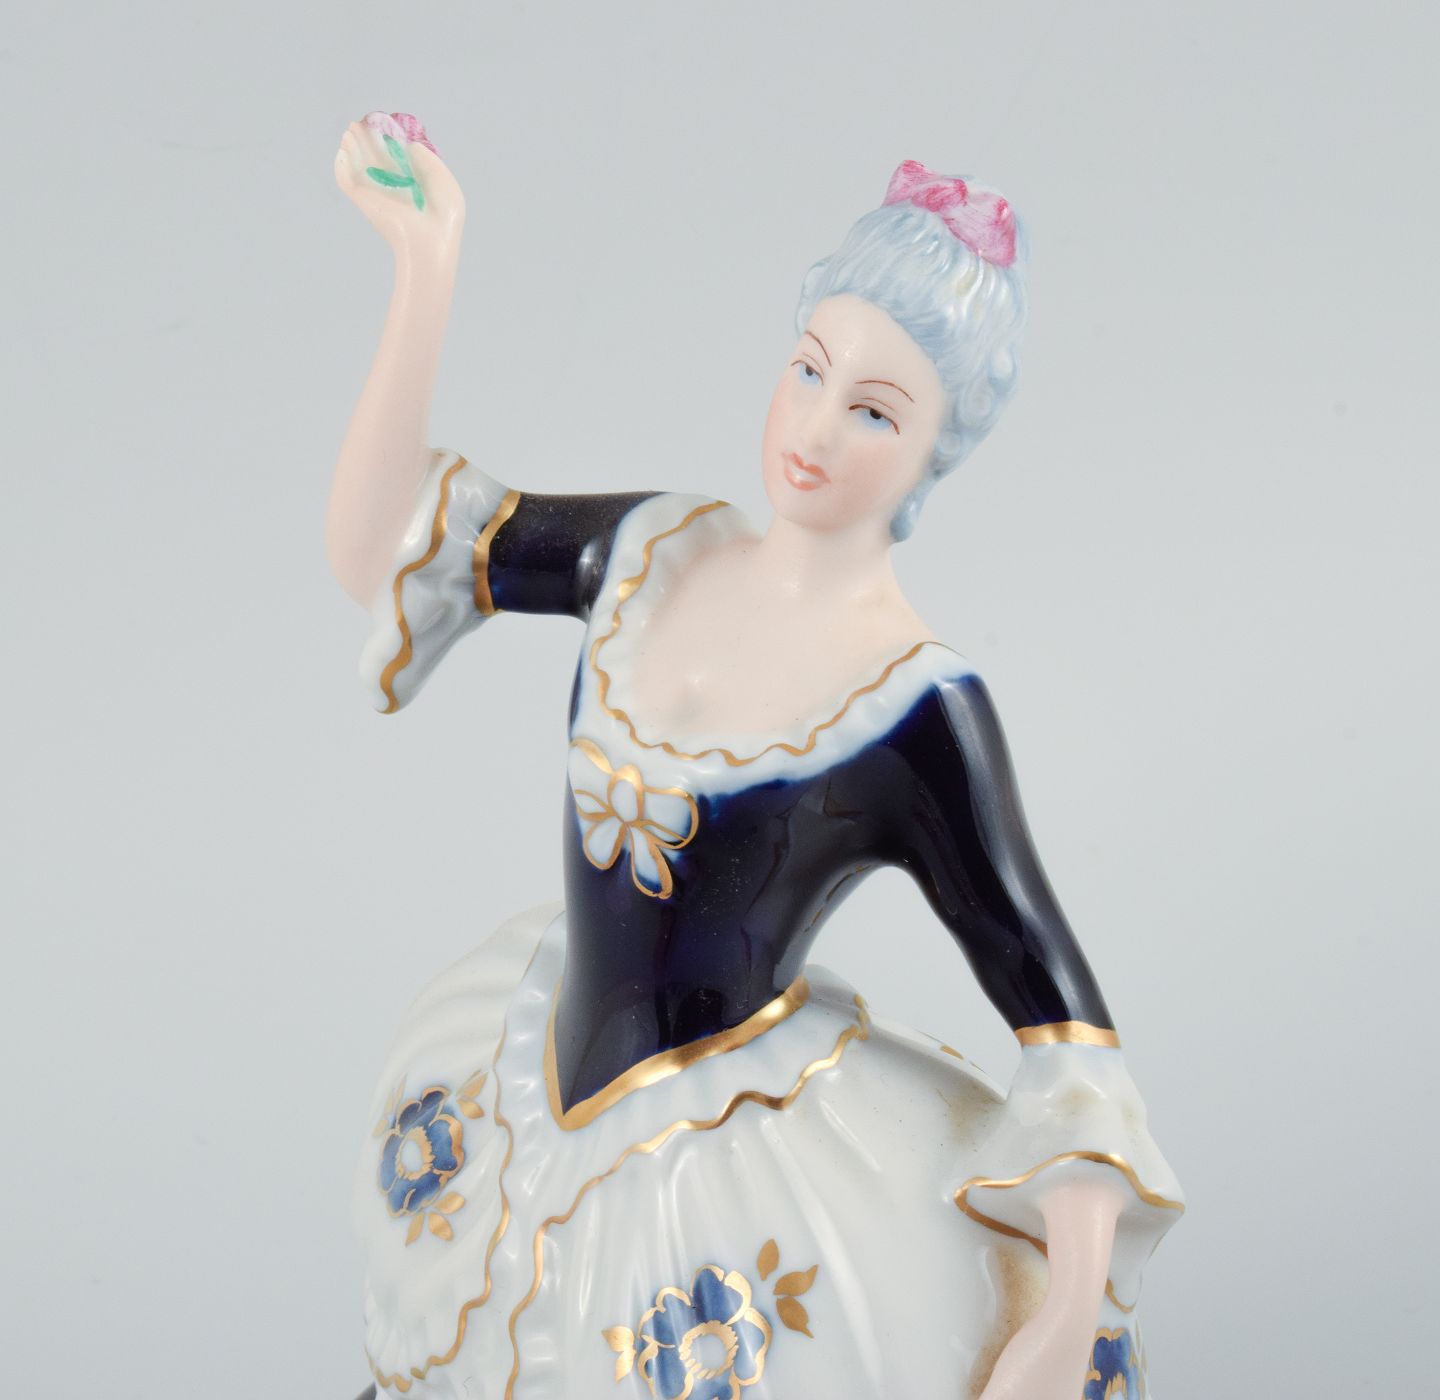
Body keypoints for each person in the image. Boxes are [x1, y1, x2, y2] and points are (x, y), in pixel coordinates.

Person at [330, 114, 1182, 1400]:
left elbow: (1057, 1008)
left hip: (719, 1155)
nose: (816, 430)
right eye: (809, 370)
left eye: (875, 411)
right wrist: (425, 264)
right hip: (527, 1074)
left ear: (934, 453)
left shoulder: (914, 704)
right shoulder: (650, 549)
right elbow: (381, 545)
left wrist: (1066, 1306)